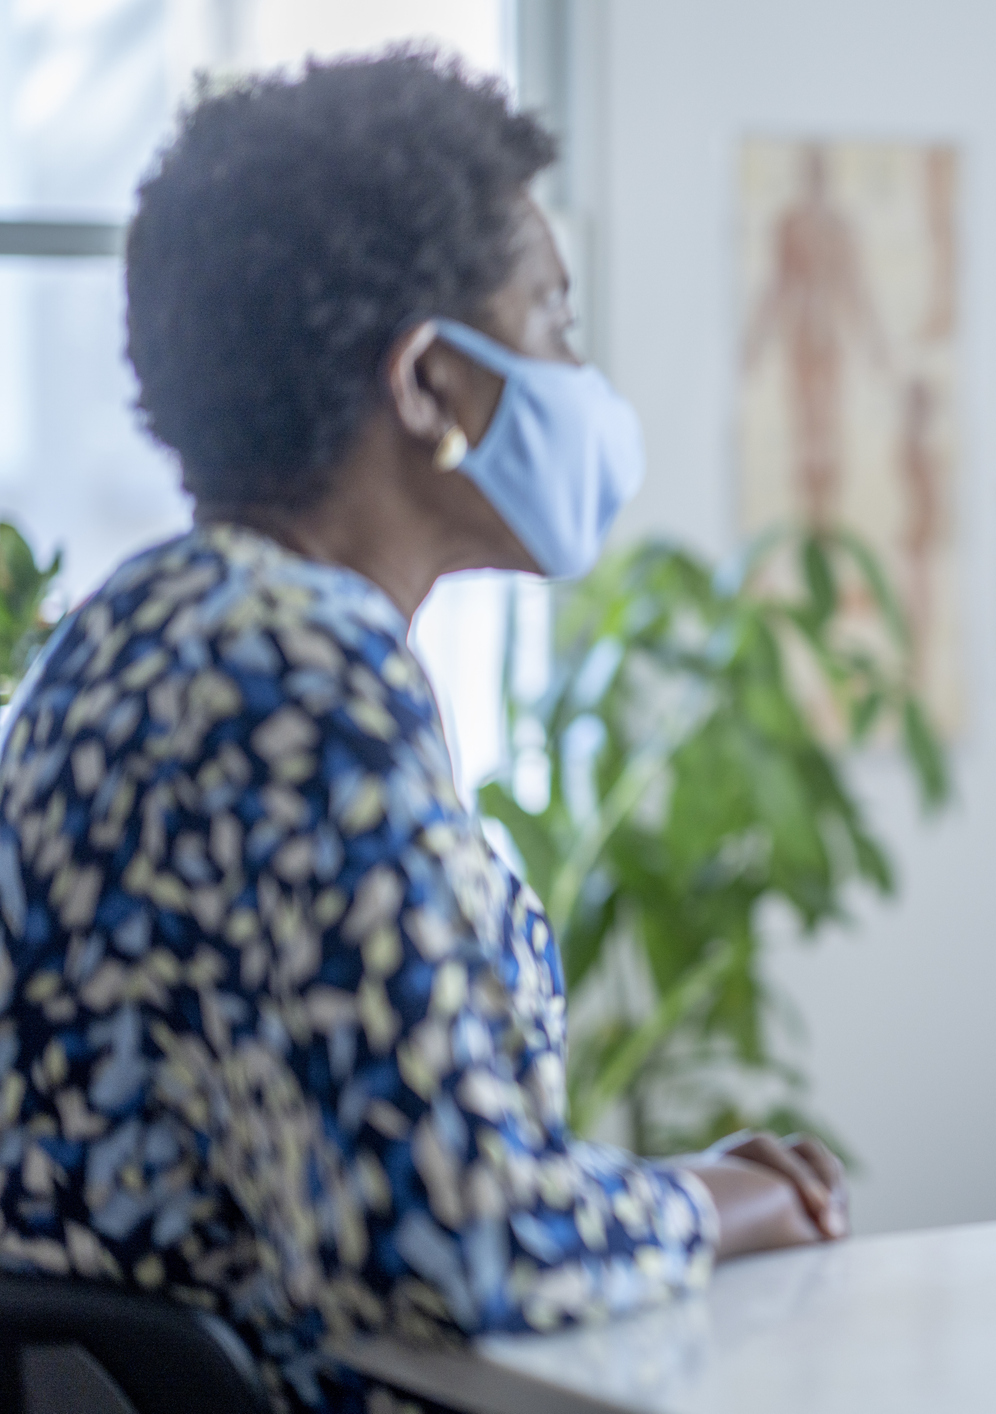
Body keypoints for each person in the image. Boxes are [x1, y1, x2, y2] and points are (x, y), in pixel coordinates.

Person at [0, 52, 845, 1412]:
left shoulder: (132, 632)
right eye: (553, 322)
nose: (581, 375)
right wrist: (720, 1196)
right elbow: (463, 1245)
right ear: (433, 385)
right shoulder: (297, 679)